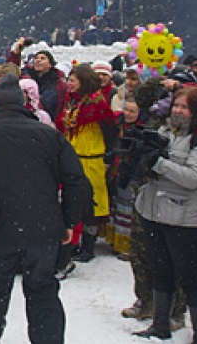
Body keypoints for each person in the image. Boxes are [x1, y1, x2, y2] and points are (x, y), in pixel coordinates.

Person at [0, 75, 92, 344]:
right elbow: (77, 181)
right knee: (43, 293)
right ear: (24, 104)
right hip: (43, 228)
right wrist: (69, 222)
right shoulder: (50, 135)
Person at [132, 87, 197, 344]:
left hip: (185, 217)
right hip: (153, 209)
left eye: (185, 107)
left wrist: (158, 163)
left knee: (190, 277)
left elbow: (194, 178)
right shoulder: (163, 133)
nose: (179, 111)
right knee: (160, 270)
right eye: (176, 106)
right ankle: (160, 324)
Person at [56, 64, 116, 266]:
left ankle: (88, 246)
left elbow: (110, 131)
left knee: (92, 204)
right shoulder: (73, 102)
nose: (69, 84)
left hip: (91, 157)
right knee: (73, 201)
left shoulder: (97, 105)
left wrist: (109, 157)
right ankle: (74, 241)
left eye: (73, 80)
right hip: (74, 156)